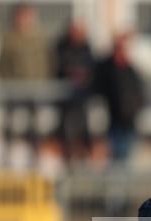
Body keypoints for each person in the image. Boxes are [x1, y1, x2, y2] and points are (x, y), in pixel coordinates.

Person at [0, 2, 51, 167]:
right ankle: (6, 161)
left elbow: (45, 62)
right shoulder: (9, 38)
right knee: (9, 127)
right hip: (13, 90)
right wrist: (7, 83)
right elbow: (1, 65)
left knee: (34, 128)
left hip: (33, 90)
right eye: (21, 16)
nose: (24, 20)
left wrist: (41, 82)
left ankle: (35, 161)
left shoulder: (38, 38)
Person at [93, 31, 145, 166]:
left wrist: (136, 107)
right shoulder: (106, 68)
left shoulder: (130, 69)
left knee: (126, 157)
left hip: (129, 120)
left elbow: (138, 92)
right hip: (114, 120)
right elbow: (98, 89)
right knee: (115, 158)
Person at [54, 21, 95, 167]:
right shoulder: (61, 48)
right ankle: (68, 159)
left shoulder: (86, 49)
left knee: (83, 130)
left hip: (81, 101)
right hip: (66, 101)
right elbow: (58, 68)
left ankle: (83, 157)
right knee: (67, 131)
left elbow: (91, 69)